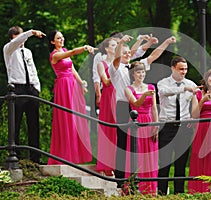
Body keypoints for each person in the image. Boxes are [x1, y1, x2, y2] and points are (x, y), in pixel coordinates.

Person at [109, 34, 176, 189]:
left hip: (140, 107)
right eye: (124, 52)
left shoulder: (135, 68)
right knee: (123, 142)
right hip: (124, 106)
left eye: (128, 52)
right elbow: (118, 58)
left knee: (140, 144)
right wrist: (121, 43)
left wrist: (166, 41)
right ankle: (121, 180)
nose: (127, 54)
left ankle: (142, 178)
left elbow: (153, 56)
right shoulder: (115, 68)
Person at [47, 30, 96, 164]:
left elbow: (72, 69)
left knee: (76, 118)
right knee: (66, 118)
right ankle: (65, 155)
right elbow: (73, 52)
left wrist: (81, 84)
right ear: (52, 41)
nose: (61, 39)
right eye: (58, 38)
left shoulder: (64, 50)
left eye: (62, 37)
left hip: (72, 85)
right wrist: (85, 47)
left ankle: (77, 155)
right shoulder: (55, 55)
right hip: (64, 86)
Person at [3, 26, 45, 163]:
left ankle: (35, 158)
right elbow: (17, 41)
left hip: (31, 88)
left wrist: (36, 87)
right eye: (19, 37)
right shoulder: (9, 49)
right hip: (17, 88)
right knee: (16, 122)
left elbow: (33, 69)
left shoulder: (27, 52)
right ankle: (15, 156)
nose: (22, 40)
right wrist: (31, 32)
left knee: (33, 124)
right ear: (13, 38)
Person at [157, 56, 199, 195]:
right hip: (167, 126)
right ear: (173, 68)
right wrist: (183, 89)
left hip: (184, 127)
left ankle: (179, 194)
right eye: (181, 69)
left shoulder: (191, 84)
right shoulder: (163, 83)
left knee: (181, 164)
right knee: (165, 162)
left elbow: (193, 106)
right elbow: (164, 92)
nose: (184, 72)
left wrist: (193, 120)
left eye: (186, 69)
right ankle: (162, 194)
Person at [124, 61, 159, 196]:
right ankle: (134, 187)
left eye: (143, 72)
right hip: (136, 123)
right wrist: (144, 95)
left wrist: (156, 126)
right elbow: (135, 104)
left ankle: (150, 189)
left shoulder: (150, 87)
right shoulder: (129, 89)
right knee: (137, 155)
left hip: (149, 122)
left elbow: (154, 108)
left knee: (150, 157)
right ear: (133, 74)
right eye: (138, 72)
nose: (141, 74)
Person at [92, 32, 152, 111]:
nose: (117, 46)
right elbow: (96, 77)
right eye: (115, 44)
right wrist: (98, 94)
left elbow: (134, 52)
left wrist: (141, 40)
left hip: (124, 92)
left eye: (118, 44)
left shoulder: (124, 59)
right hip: (110, 91)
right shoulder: (100, 57)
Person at [188, 68, 211, 193]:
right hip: (203, 128)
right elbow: (194, 115)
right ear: (206, 78)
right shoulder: (197, 93)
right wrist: (203, 100)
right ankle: (199, 189)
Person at [95, 37, 118, 176]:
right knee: (108, 131)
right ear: (107, 48)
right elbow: (106, 82)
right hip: (108, 97)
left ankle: (118, 164)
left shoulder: (119, 63)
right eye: (114, 45)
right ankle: (106, 165)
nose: (116, 47)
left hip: (120, 95)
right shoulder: (101, 64)